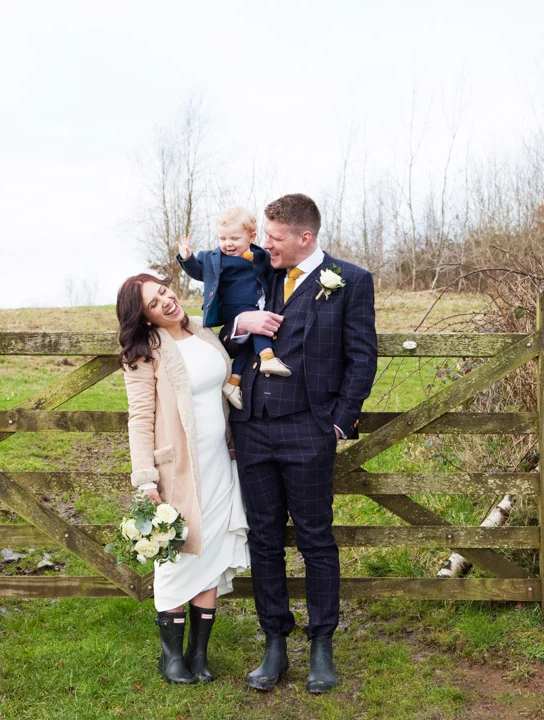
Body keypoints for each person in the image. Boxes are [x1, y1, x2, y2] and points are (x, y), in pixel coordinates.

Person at [224, 193, 377, 694]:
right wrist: (240, 324)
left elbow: (362, 357)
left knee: (315, 538)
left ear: (304, 237)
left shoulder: (350, 280)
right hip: (253, 426)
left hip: (309, 430)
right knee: (264, 538)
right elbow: (219, 322)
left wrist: (338, 424)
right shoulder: (258, 273)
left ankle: (321, 645)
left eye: (274, 237)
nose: (265, 244)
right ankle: (274, 643)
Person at [117, 273, 250, 684]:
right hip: (177, 470)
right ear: (145, 317)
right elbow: (140, 418)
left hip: (219, 463)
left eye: (164, 292)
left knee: (211, 552)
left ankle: (199, 653)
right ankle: (171, 657)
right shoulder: (146, 352)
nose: (167, 302)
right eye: (154, 304)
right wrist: (146, 480)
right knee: (176, 558)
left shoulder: (204, 333)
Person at [177, 206, 290, 411]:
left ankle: (233, 383)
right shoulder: (214, 258)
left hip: (255, 304)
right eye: (223, 238)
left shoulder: (261, 255)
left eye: (234, 238)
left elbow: (273, 272)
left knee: (247, 347)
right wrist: (187, 258)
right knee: (257, 322)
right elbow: (199, 272)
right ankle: (267, 357)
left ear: (251, 237)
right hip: (232, 307)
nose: (228, 243)